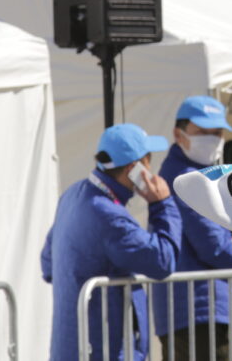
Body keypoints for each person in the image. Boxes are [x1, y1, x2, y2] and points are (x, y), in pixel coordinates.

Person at [42, 123, 181, 361]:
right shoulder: (109, 216)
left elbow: (47, 264)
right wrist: (162, 204)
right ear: (133, 169)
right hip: (104, 349)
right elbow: (163, 261)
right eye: (148, 161)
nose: (152, 169)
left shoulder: (73, 194)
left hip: (71, 347)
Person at [152, 96, 232, 360]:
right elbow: (212, 244)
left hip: (200, 307)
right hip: (201, 307)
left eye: (217, 132)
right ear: (178, 134)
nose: (212, 139)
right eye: (202, 132)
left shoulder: (194, 172)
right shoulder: (186, 177)